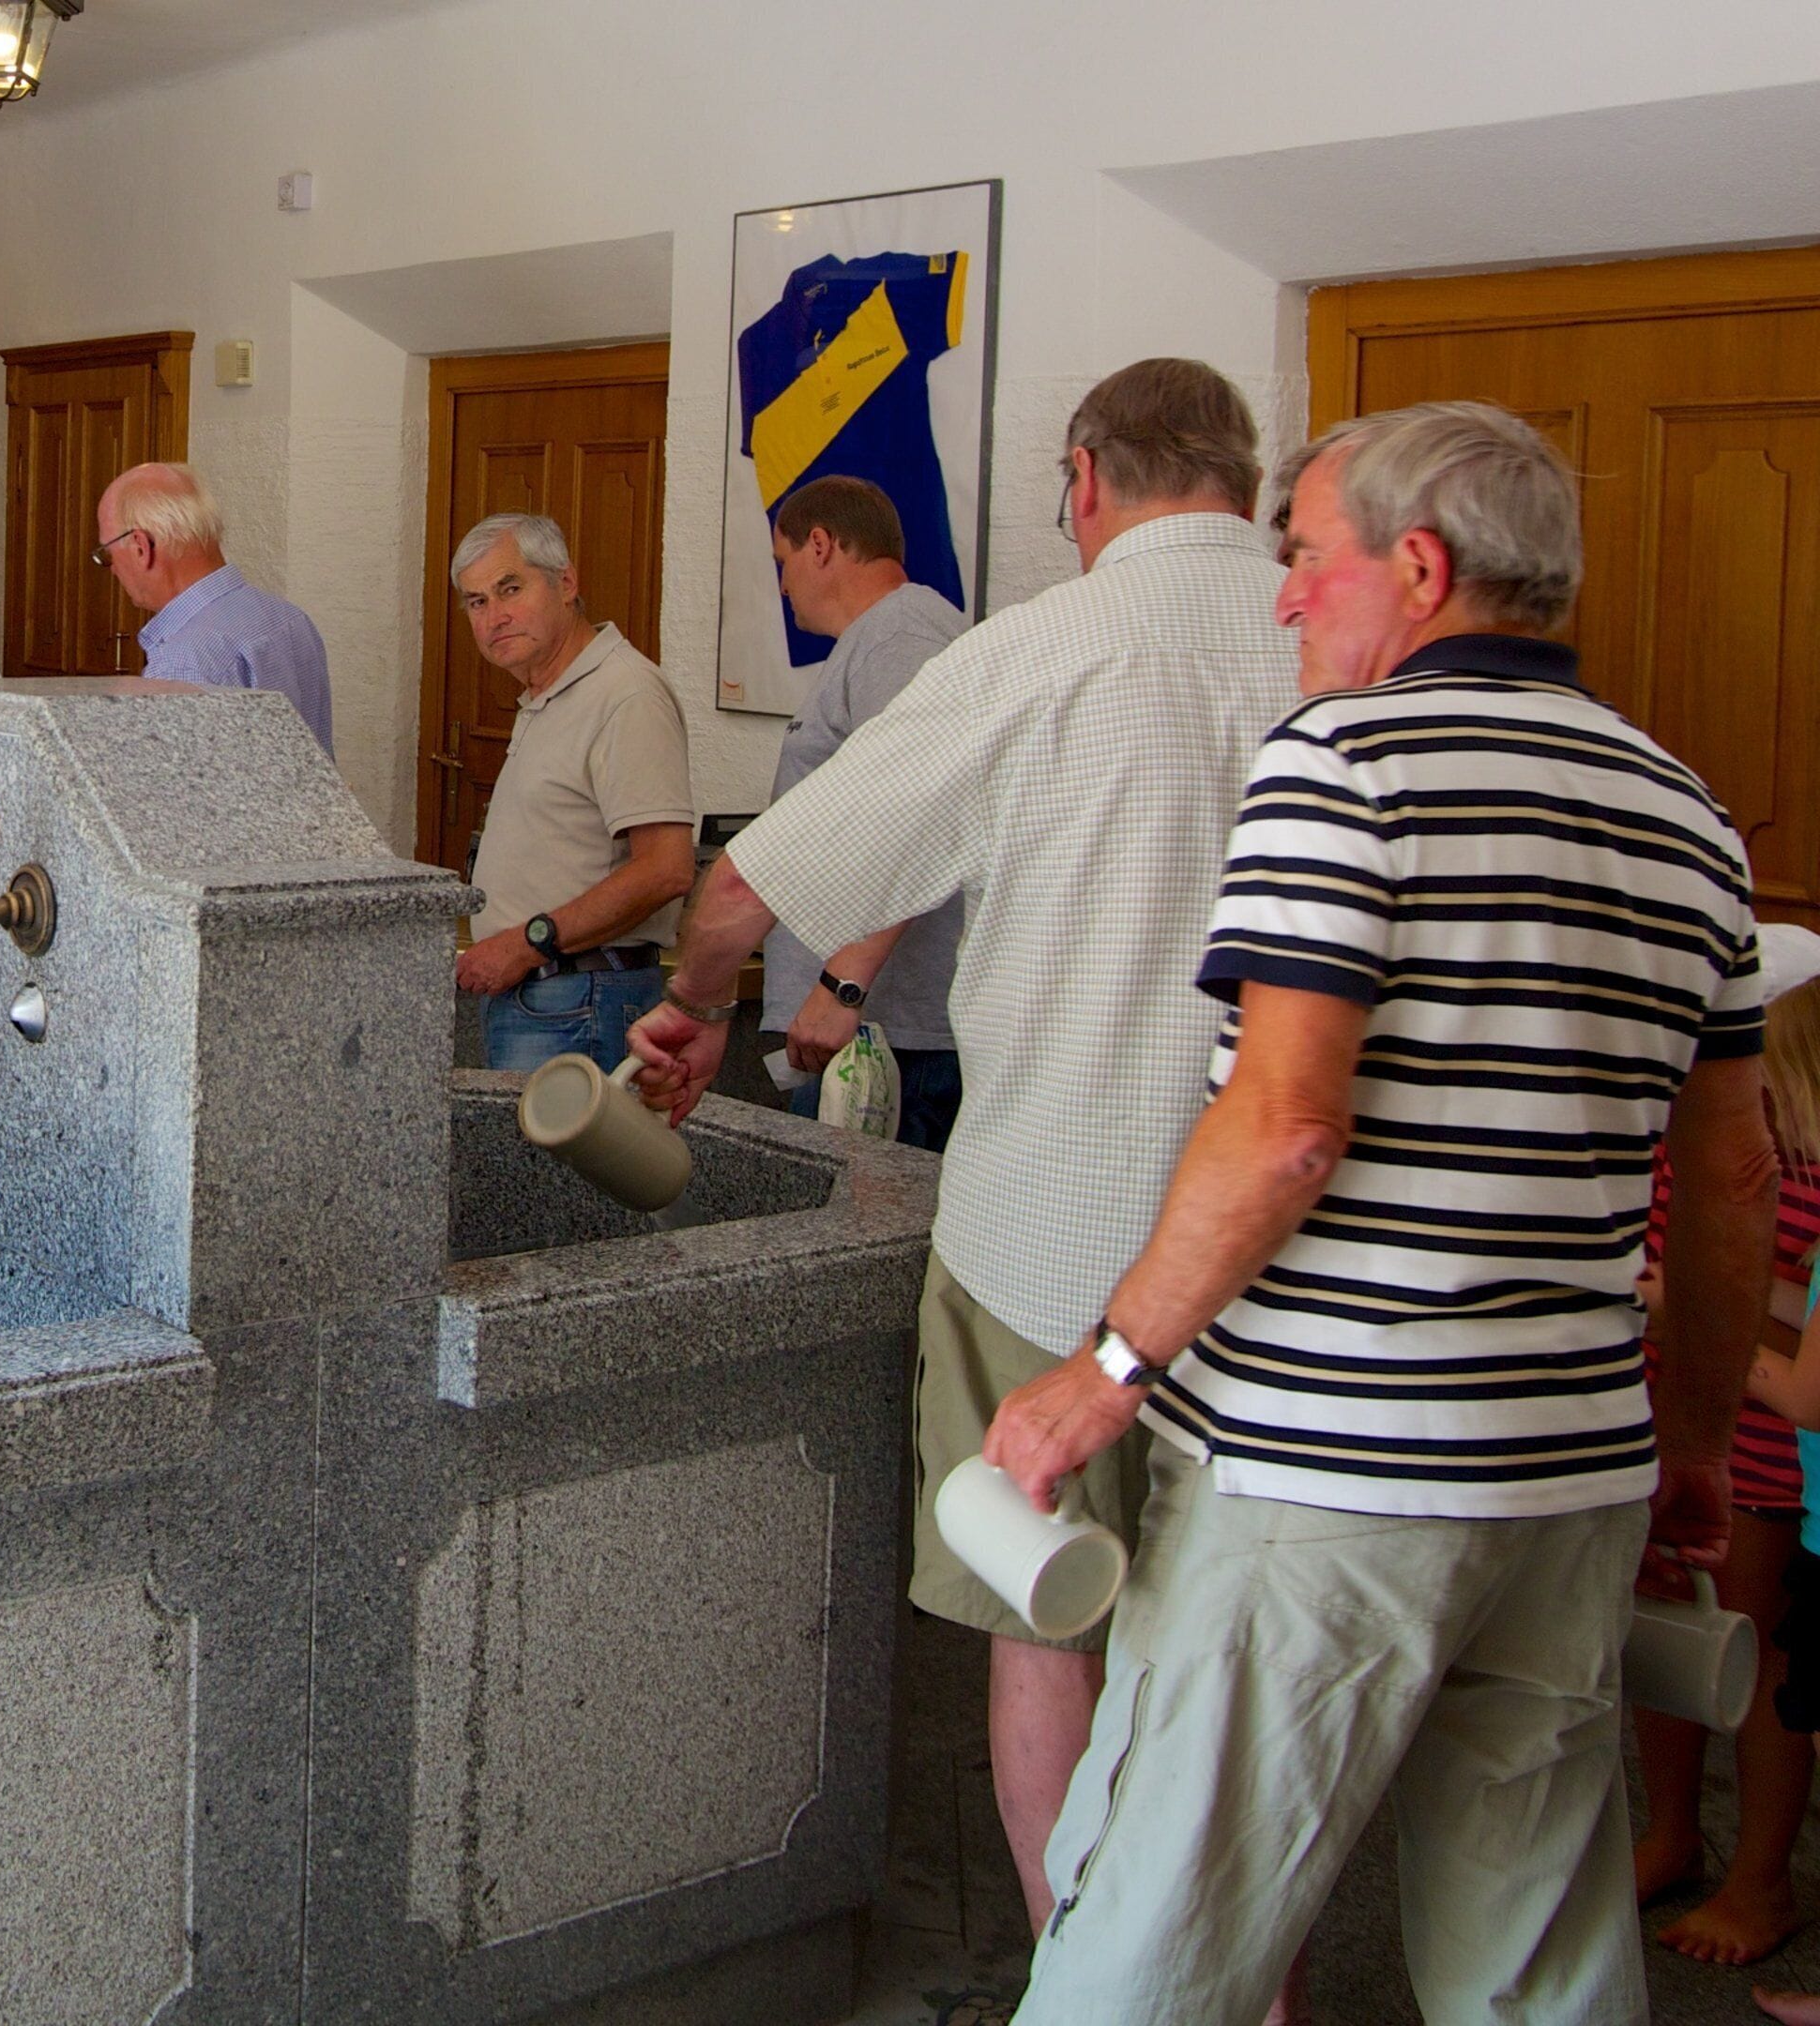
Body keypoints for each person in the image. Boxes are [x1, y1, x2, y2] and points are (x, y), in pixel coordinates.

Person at [975, 400, 1777, 2025]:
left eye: (1304, 559)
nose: (1285, 598)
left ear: (1416, 569)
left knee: (1153, 1939)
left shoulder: (1341, 762)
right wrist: (1687, 1439)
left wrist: (1105, 1370)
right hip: (1568, 1482)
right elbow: (1737, 1179)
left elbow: (1282, 1127)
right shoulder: (1687, 811)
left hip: (1326, 1469)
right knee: (1536, 1958)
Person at [625, 358, 1297, 1954]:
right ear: (1247, 479)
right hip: (1290, 1256)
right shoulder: (1335, 642)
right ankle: (1247, 1977)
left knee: (1039, 1612)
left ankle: (1082, 1967)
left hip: (1055, 1231)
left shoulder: (1040, 652)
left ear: (1084, 479)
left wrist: (691, 1010)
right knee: (1245, 1650)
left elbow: (760, 882)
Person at [1637, 931, 1820, 1971]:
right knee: (1659, 1638)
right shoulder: (1676, 1134)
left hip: (1762, 1457)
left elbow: (1804, 1337)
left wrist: (1698, 1308)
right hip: (1661, 1422)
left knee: (1754, 1659)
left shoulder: (1800, 1167)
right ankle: (1671, 1829)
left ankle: (1763, 1876)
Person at [752, 475, 968, 1149]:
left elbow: (917, 815)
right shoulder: (878, 640)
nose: (783, 587)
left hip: (886, 1037)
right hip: (864, 1024)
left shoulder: (899, 640)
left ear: (820, 546)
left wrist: (842, 988)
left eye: (783, 563)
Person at [449, 511, 692, 1074]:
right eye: (477, 602)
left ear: (566, 582)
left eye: (510, 588)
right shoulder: (548, 692)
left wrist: (527, 942)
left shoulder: (625, 694)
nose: (495, 616)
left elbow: (666, 869)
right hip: (540, 996)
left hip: (580, 998)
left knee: (554, 1166)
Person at [92, 461, 332, 750]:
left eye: (107, 555)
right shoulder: (289, 619)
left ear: (141, 547)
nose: (113, 570)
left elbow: (171, 791)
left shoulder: (181, 665)